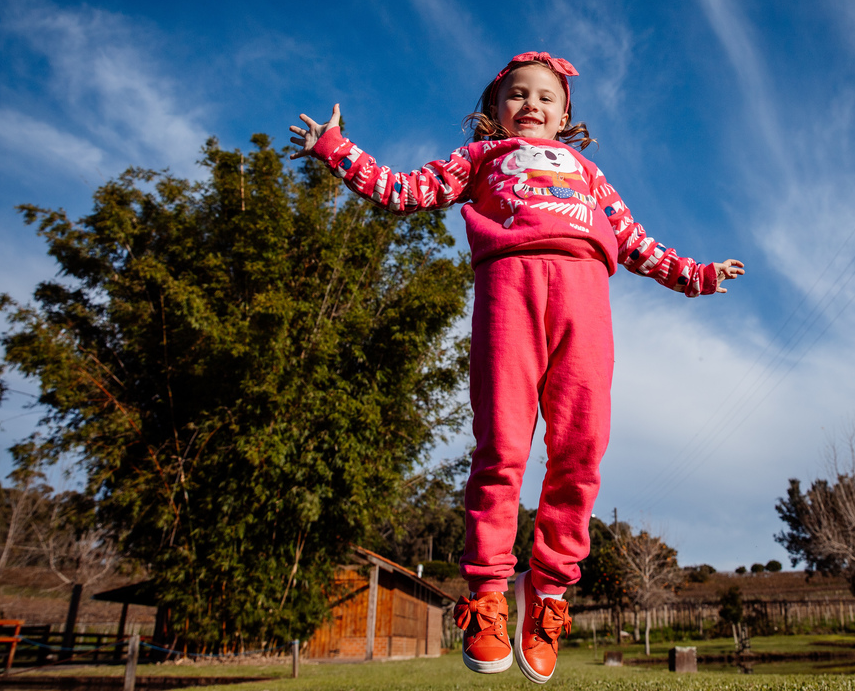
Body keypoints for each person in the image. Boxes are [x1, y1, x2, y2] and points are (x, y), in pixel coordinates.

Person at [290, 52, 743, 684]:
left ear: (565, 116)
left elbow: (635, 240)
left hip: (583, 297)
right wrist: (336, 148)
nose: (530, 104)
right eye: (516, 95)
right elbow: (405, 191)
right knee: (501, 445)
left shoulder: (589, 172)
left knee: (581, 449)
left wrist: (694, 274)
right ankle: (488, 598)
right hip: (508, 291)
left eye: (546, 97)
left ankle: (550, 593)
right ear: (493, 111)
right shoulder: (478, 159)